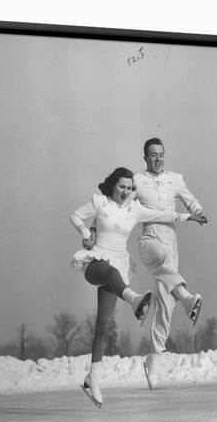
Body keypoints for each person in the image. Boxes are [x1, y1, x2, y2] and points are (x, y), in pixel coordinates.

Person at [70, 167, 205, 407]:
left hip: (119, 269)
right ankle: (134, 300)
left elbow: (162, 214)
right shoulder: (100, 203)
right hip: (96, 263)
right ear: (113, 185)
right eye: (122, 186)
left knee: (102, 327)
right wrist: (85, 233)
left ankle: (93, 379)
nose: (126, 191)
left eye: (130, 188)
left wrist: (188, 216)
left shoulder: (134, 209)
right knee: (110, 273)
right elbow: (76, 215)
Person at [133, 138, 208, 390]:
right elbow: (118, 202)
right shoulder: (137, 180)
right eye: (153, 155)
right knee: (162, 262)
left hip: (170, 237)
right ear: (145, 157)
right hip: (149, 237)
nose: (158, 158)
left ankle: (154, 357)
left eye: (161, 154)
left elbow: (190, 199)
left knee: (165, 302)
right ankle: (186, 298)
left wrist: (198, 211)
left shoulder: (175, 178)